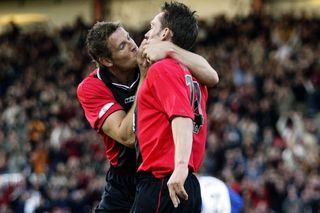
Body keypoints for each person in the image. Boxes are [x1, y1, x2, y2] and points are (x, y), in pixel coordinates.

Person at [77, 21, 218, 212]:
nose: (132, 45)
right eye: (122, 46)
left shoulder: (155, 63)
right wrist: (144, 78)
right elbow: (127, 136)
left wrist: (170, 49)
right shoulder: (92, 88)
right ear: (107, 61)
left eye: (128, 37)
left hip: (156, 175)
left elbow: (211, 75)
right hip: (124, 180)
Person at [132, 2, 211, 212]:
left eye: (152, 27)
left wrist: (180, 166)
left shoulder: (164, 69)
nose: (147, 34)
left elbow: (182, 117)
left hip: (163, 182)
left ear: (166, 32)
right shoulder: (194, 73)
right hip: (186, 183)